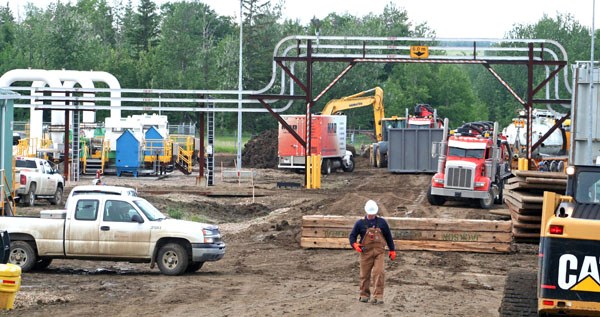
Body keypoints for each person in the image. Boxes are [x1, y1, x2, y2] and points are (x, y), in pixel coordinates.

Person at [348, 199, 396, 305]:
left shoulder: (382, 222)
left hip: (379, 252)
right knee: (364, 274)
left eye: (373, 214)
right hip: (366, 253)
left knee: (379, 272)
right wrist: (355, 245)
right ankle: (364, 294)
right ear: (366, 212)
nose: (371, 215)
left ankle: (378, 296)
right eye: (370, 214)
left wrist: (392, 250)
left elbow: (388, 236)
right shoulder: (360, 223)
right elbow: (352, 236)